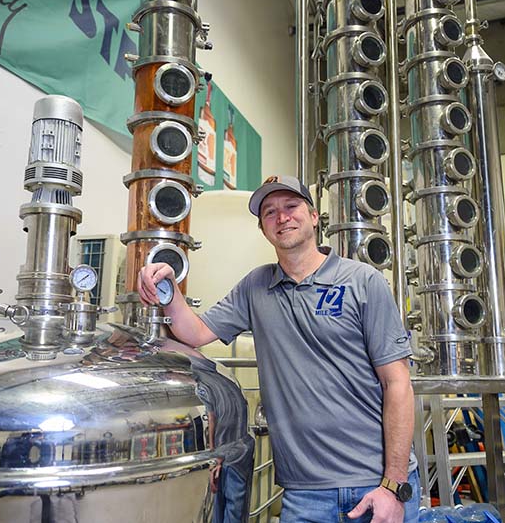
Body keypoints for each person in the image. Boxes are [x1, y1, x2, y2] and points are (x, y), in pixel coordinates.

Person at [138, 175, 419, 523]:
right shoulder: (257, 286)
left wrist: (393, 485)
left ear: (314, 217)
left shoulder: (363, 282)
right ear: (263, 229)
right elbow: (195, 332)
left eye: (291, 206)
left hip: (372, 485)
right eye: (270, 212)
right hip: (304, 495)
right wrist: (167, 287)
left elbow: (398, 384)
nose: (281, 217)